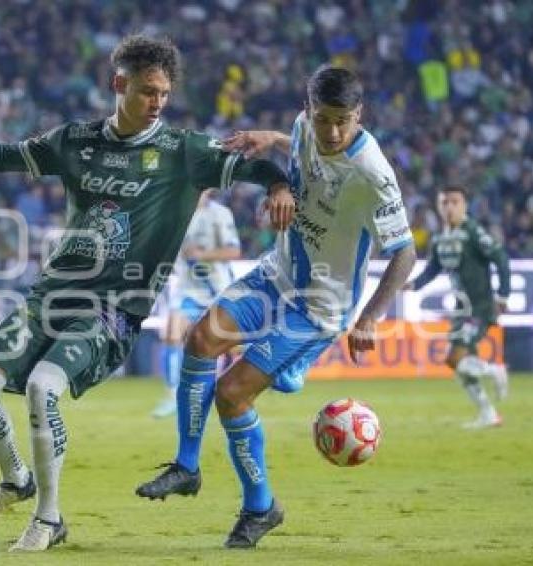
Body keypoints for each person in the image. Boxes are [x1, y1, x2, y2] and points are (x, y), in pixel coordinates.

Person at [0, 35, 294, 552]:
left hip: (114, 309)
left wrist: (280, 186)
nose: (158, 102)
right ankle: (18, 479)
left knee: (42, 388)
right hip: (52, 297)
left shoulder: (183, 151)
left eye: (165, 93)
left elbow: (254, 167)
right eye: (149, 91)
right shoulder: (75, 141)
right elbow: (6, 155)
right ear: (118, 84)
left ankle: (49, 518)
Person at [135, 65, 416, 548]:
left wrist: (370, 317)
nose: (331, 131)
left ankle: (260, 507)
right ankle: (186, 466)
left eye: (343, 121)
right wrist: (271, 141)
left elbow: (405, 252)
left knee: (231, 394)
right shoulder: (305, 127)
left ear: (359, 115)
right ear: (309, 109)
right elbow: (300, 144)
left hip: (318, 306)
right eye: (323, 117)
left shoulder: (373, 173)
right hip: (276, 275)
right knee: (199, 339)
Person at [404, 186, 510, 428]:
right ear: (440, 207)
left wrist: (503, 296)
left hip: (480, 307)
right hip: (461, 310)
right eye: (446, 202)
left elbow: (501, 258)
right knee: (458, 364)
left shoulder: (473, 232)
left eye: (455, 202)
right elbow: (433, 269)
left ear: (464, 206)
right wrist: (413, 284)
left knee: (457, 359)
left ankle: (495, 370)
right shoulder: (441, 239)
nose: (450, 207)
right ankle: (488, 413)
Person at [153, 189, 241, 418]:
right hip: (188, 289)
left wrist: (203, 255)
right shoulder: (176, 212)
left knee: (229, 345)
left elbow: (234, 250)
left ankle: (234, 388)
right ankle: (172, 395)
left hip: (216, 288)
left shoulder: (220, 214)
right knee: (171, 334)